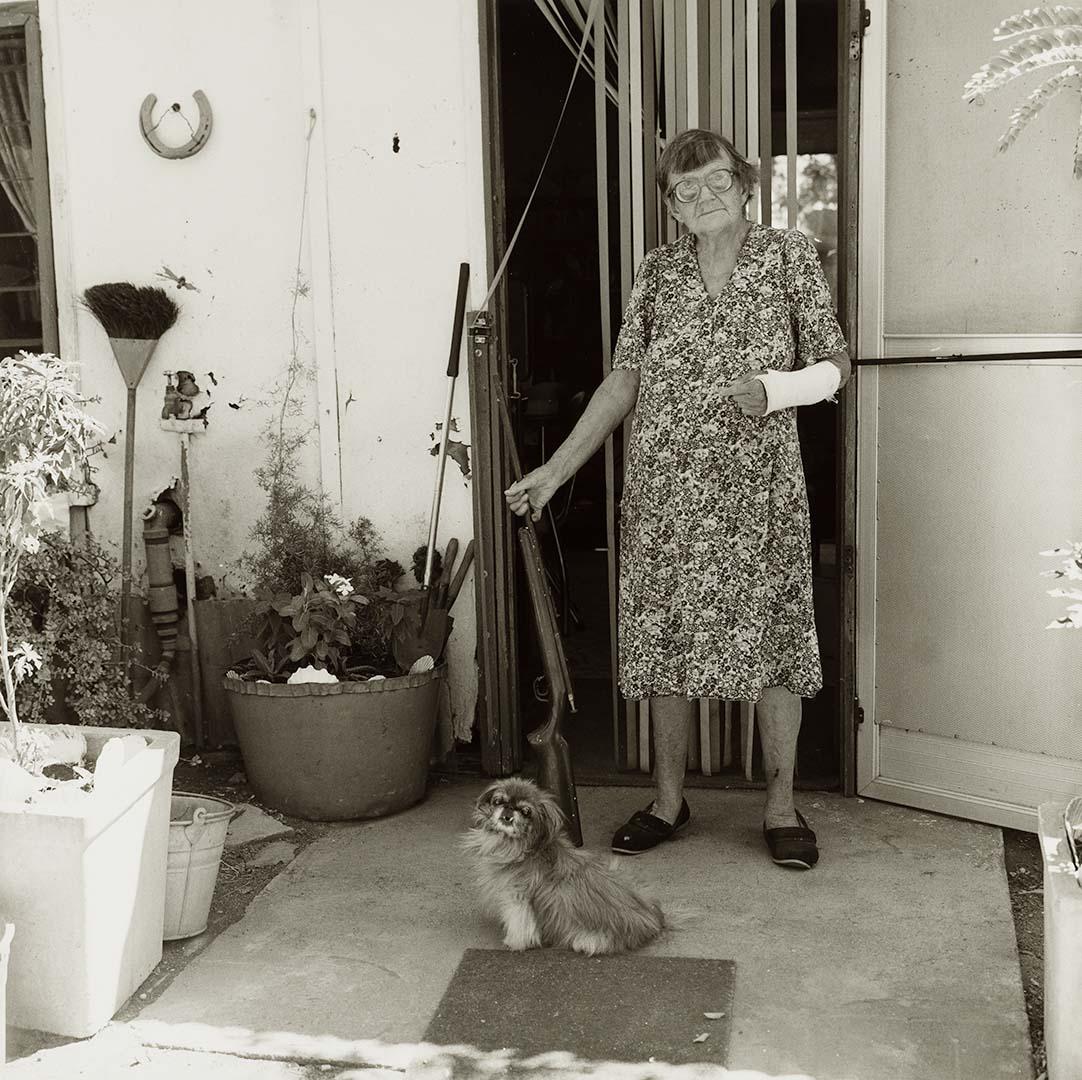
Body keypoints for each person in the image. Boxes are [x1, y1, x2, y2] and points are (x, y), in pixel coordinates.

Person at [504, 129, 851, 869]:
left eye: (717, 181)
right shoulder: (658, 272)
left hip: (759, 496)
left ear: (746, 182)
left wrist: (776, 389)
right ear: (670, 204)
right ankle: (668, 800)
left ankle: (783, 806)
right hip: (666, 494)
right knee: (667, 643)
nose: (703, 199)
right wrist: (557, 470)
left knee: (775, 644)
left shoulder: (788, 256)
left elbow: (835, 363)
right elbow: (623, 379)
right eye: (685, 190)